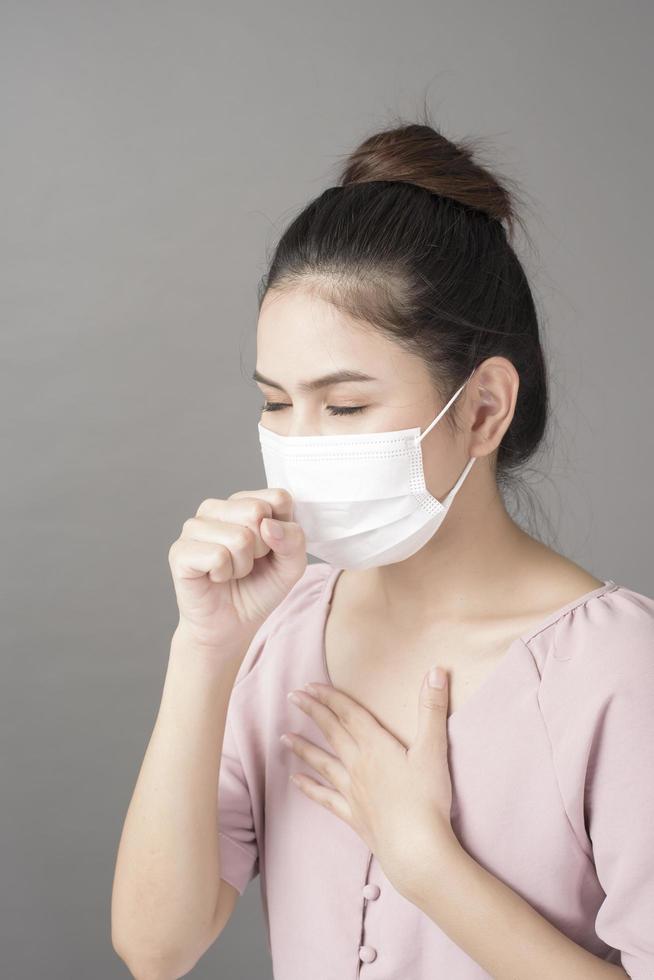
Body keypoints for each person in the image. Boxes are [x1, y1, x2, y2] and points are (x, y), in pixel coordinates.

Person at [111, 118, 654, 980]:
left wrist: (425, 864)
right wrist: (204, 649)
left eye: (347, 405)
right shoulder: (279, 628)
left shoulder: (620, 668)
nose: (301, 441)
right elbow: (155, 946)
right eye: (277, 403)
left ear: (482, 408)